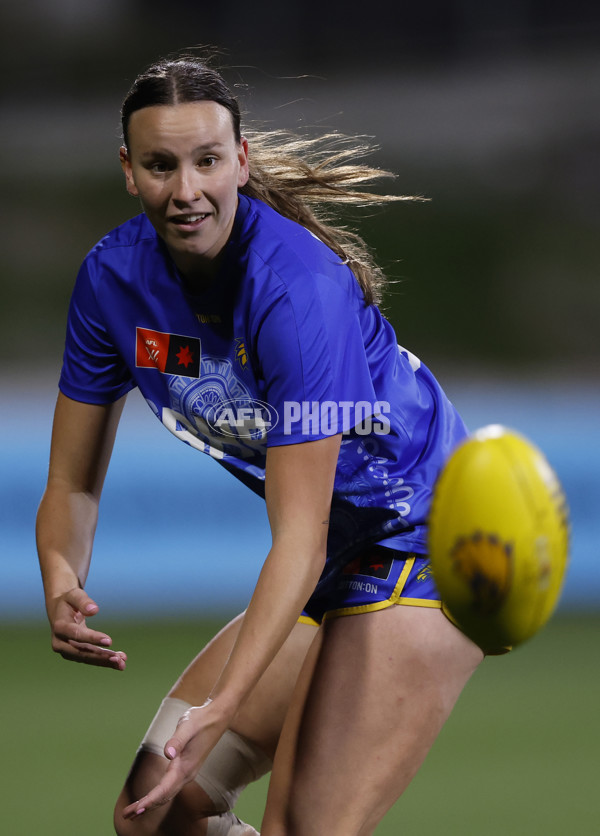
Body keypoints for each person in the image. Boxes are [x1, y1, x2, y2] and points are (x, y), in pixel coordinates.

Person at [36, 53, 485, 836]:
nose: (186, 191)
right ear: (128, 171)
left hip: (428, 534)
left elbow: (298, 538)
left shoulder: (298, 291)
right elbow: (73, 485)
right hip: (339, 547)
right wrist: (60, 576)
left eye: (208, 161)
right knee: (154, 816)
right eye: (161, 165)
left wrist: (226, 705)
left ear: (240, 161)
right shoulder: (111, 283)